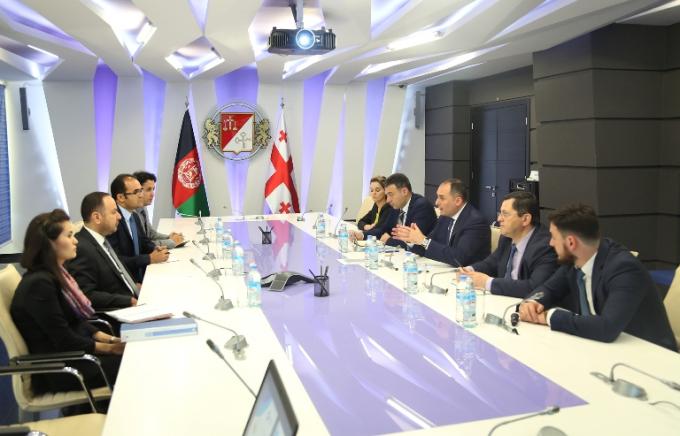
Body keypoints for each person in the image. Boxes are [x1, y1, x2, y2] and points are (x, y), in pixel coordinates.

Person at [519, 203, 676, 350]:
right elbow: (548, 289)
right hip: (599, 346)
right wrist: (533, 302)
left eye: (553, 237)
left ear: (571, 242)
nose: (550, 243)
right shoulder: (575, 260)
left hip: (648, 354)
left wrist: (549, 317)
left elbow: (607, 328)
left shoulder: (625, 269)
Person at [10, 209, 124, 395]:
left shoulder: (55, 274)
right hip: (62, 368)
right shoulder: (39, 285)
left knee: (136, 355)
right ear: (49, 244)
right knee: (136, 363)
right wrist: (111, 349)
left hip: (77, 356)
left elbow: (75, 321)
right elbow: (64, 339)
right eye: (69, 235)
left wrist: (111, 339)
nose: (76, 241)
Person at [463, 191, 557, 298]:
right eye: (500, 213)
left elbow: (535, 287)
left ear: (525, 219)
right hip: (505, 299)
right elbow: (491, 263)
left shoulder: (544, 246)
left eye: (505, 214)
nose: (499, 219)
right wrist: (469, 270)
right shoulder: (506, 237)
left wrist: (488, 283)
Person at [392, 178, 489, 266]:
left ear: (458, 201)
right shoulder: (445, 218)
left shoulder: (475, 222)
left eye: (442, 198)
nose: (436, 202)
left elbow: (459, 258)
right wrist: (412, 240)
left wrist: (423, 241)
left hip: (469, 276)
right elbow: (429, 246)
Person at [68, 192, 139, 309]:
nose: (119, 216)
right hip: (120, 310)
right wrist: (128, 301)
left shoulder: (102, 239)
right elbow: (86, 294)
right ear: (97, 217)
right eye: (114, 212)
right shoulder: (81, 248)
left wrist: (135, 287)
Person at [107, 174, 169, 283]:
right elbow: (115, 260)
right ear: (121, 197)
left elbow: (144, 242)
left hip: (141, 275)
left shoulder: (134, 216)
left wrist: (156, 249)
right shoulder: (112, 221)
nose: (141, 195)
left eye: (141, 190)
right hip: (126, 282)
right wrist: (149, 258)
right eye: (136, 192)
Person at [380, 173, 437, 249]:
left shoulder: (422, 206)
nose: (388, 200)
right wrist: (364, 235)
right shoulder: (397, 206)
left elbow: (413, 242)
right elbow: (383, 230)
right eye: (387, 195)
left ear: (404, 191)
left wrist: (388, 240)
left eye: (391, 194)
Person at [133, 171, 184, 249]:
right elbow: (143, 245)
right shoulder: (132, 213)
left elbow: (150, 234)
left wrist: (168, 237)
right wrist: (171, 242)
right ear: (138, 191)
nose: (152, 194)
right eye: (148, 189)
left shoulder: (143, 207)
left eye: (153, 189)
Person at [351, 176, 396, 241]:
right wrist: (367, 226)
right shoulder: (375, 207)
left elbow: (380, 231)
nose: (373, 193)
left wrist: (362, 235)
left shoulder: (390, 208)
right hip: (373, 241)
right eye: (371, 190)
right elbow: (361, 222)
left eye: (377, 190)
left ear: (385, 191)